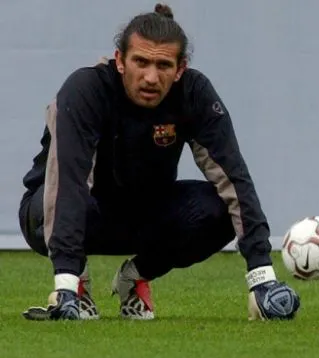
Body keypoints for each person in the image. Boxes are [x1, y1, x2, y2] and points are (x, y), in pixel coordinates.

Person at [18, 3, 300, 321]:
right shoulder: (86, 90)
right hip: (68, 212)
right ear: (120, 60)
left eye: (163, 65)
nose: (151, 77)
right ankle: (78, 286)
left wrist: (262, 279)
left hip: (144, 213)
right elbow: (69, 181)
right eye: (140, 62)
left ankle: (135, 277)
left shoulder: (194, 93)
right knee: (50, 203)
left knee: (219, 210)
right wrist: (65, 285)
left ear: (180, 69)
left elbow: (234, 178)